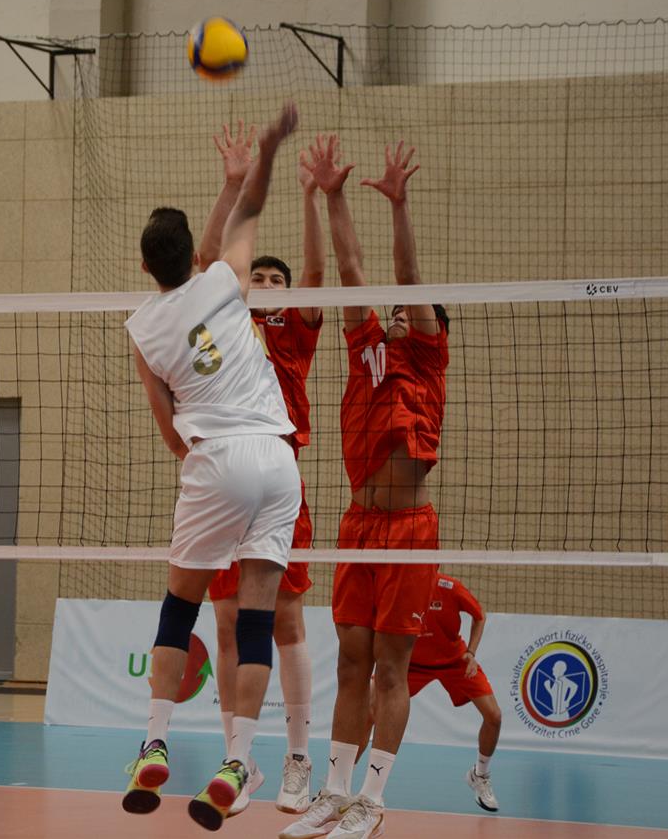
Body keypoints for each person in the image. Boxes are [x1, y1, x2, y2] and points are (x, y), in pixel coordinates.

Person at [120, 100, 300, 832]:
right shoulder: (227, 279)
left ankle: (155, 741)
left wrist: (194, 458)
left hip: (216, 457)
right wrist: (263, 152)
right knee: (257, 619)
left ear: (144, 265)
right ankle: (238, 759)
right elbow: (249, 209)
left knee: (181, 606)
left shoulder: (141, 328)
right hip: (279, 458)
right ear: (195, 249)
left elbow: (169, 429)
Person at [283, 136, 448, 839]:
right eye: (400, 310)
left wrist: (400, 206)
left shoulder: (428, 359)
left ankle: (373, 801)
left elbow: (406, 276)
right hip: (358, 526)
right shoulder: (367, 347)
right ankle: (334, 791)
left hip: (409, 530)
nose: (403, 311)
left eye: (417, 311)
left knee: (389, 668)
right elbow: (352, 269)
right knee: (351, 663)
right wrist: (333, 194)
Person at [197, 121, 325, 816]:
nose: (269, 284)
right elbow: (209, 259)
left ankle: (298, 756)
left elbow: (316, 275)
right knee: (225, 623)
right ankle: (237, 760)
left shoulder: (294, 328)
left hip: (279, 483)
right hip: (225, 483)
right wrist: (235, 184)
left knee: (286, 621)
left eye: (278, 279)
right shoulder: (225, 321)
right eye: (261, 277)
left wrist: (307, 195)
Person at [353, 573, 500, 812]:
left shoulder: (451, 588)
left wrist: (471, 652)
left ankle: (480, 775)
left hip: (455, 661)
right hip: (410, 662)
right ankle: (340, 783)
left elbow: (479, 615)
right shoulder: (400, 587)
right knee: (369, 709)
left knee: (494, 716)